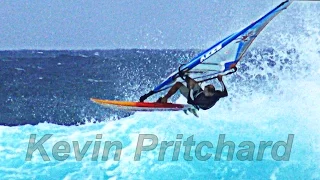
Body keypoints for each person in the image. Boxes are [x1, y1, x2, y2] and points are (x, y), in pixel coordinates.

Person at [157, 74, 228, 110]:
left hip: (194, 99)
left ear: (209, 93)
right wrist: (221, 81)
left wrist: (190, 88)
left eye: (205, 90)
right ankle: (185, 75)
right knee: (188, 79)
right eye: (204, 89)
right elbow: (225, 93)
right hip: (198, 94)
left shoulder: (201, 101)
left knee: (178, 84)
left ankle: (164, 99)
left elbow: (190, 101)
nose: (203, 90)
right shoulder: (216, 94)